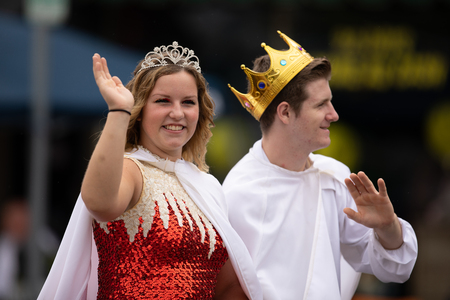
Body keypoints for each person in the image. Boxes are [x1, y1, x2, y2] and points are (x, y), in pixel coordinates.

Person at [38, 42, 262, 299]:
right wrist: (119, 111)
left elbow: (227, 286)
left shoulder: (208, 186)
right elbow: (99, 203)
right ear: (141, 110)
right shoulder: (131, 170)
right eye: (163, 101)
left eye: (188, 102)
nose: (177, 113)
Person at [224, 31, 418, 300]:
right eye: (321, 104)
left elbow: (393, 269)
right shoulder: (237, 193)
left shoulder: (336, 176)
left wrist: (388, 228)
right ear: (285, 112)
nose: (334, 115)